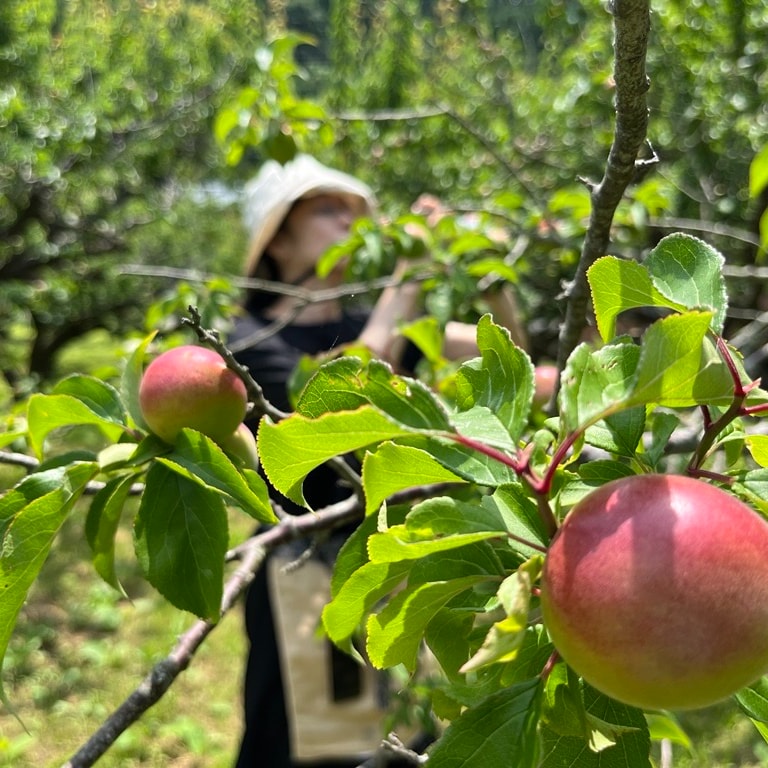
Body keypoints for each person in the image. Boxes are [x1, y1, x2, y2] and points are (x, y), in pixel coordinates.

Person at [229, 154, 525, 767]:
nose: (349, 219)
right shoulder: (248, 344)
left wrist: (481, 265)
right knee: (296, 739)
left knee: (383, 739)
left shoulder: (383, 324)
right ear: (278, 240)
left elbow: (508, 352)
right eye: (327, 207)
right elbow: (348, 390)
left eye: (355, 209)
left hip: (378, 564)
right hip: (301, 571)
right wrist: (409, 279)